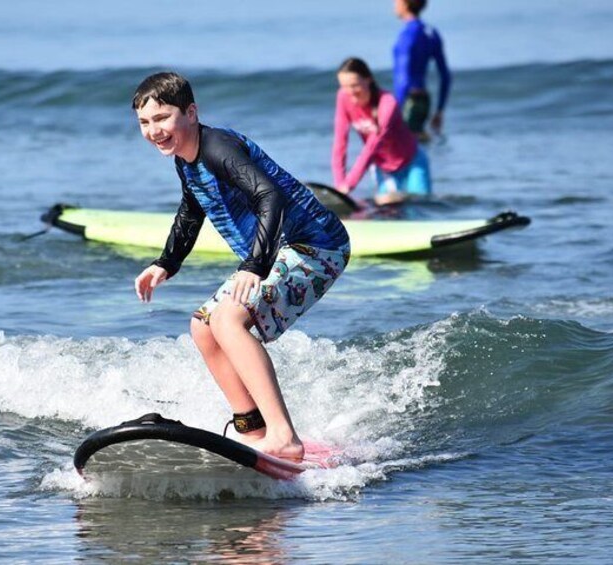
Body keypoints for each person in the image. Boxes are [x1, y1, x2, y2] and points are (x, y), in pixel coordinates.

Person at [132, 72, 350, 461]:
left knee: (228, 320)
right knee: (202, 325)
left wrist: (254, 265)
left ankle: (283, 435)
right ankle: (254, 431)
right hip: (280, 250)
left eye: (163, 118)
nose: (154, 130)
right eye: (145, 123)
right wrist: (167, 261)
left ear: (191, 112)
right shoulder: (186, 158)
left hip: (315, 245)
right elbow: (193, 207)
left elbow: (271, 196)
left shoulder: (217, 147)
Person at [331, 57, 432, 205]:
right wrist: (340, 186)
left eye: (354, 85)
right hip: (383, 167)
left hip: (412, 161)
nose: (349, 92)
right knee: (387, 208)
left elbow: (371, 148)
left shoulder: (387, 103)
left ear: (368, 79)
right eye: (344, 86)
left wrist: (350, 184)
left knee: (420, 204)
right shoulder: (343, 97)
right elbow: (340, 143)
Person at [392, 0, 451, 139]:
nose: (394, 4)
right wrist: (440, 110)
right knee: (418, 145)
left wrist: (396, 109)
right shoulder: (431, 33)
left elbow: (403, 75)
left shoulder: (407, 35)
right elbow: (445, 75)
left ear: (405, 4)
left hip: (408, 100)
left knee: (405, 152)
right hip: (424, 100)